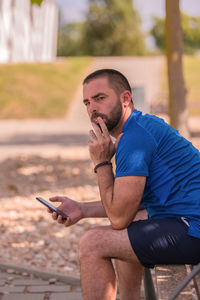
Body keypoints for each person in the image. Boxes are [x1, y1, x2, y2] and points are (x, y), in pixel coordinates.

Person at [48, 69, 200, 300]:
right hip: (184, 221)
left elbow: (118, 216)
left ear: (125, 98)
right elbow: (127, 204)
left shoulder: (135, 138)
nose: (92, 108)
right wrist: (83, 209)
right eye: (87, 102)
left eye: (100, 98)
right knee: (128, 226)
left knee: (93, 243)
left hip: (193, 228)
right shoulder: (138, 128)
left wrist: (101, 162)